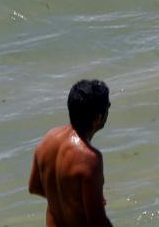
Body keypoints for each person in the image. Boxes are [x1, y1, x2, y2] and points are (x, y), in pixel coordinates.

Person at [28, 80, 113, 226]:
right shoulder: (90, 158)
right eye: (108, 106)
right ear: (98, 117)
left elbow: (34, 187)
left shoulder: (48, 139)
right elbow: (97, 221)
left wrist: (67, 200)